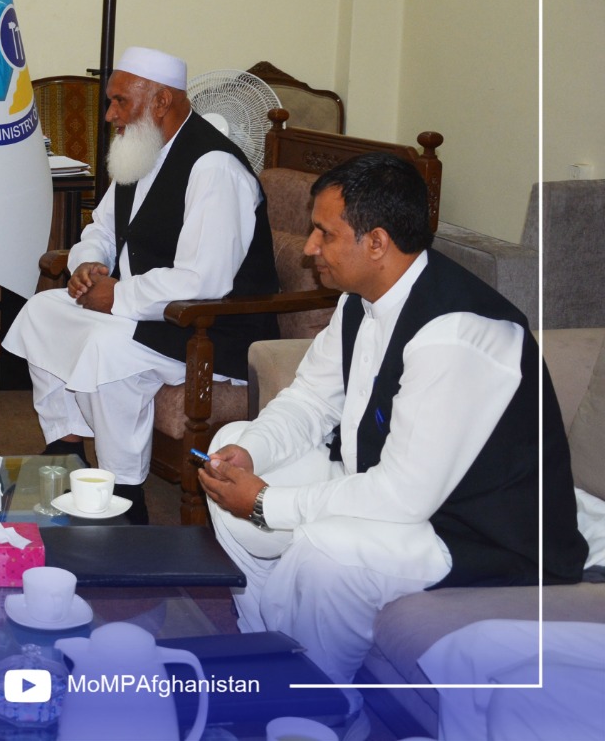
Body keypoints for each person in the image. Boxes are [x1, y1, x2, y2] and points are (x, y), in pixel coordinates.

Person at [197, 152, 586, 713]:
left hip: (475, 534)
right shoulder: (361, 300)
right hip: (392, 493)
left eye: (325, 233)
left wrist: (265, 503)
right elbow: (309, 400)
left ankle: (324, 706)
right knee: (228, 446)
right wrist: (249, 453)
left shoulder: (456, 334)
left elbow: (404, 497)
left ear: (376, 242)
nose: (310, 248)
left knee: (327, 550)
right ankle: (268, 640)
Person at [2, 46, 278, 522]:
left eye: (119, 102)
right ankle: (67, 450)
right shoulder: (141, 147)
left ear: (161, 101)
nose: (110, 114)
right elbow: (102, 229)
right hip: (149, 309)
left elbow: (204, 279)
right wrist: (88, 265)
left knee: (107, 350)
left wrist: (118, 296)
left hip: (211, 328)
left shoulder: (214, 167)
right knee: (42, 312)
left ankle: (126, 492)